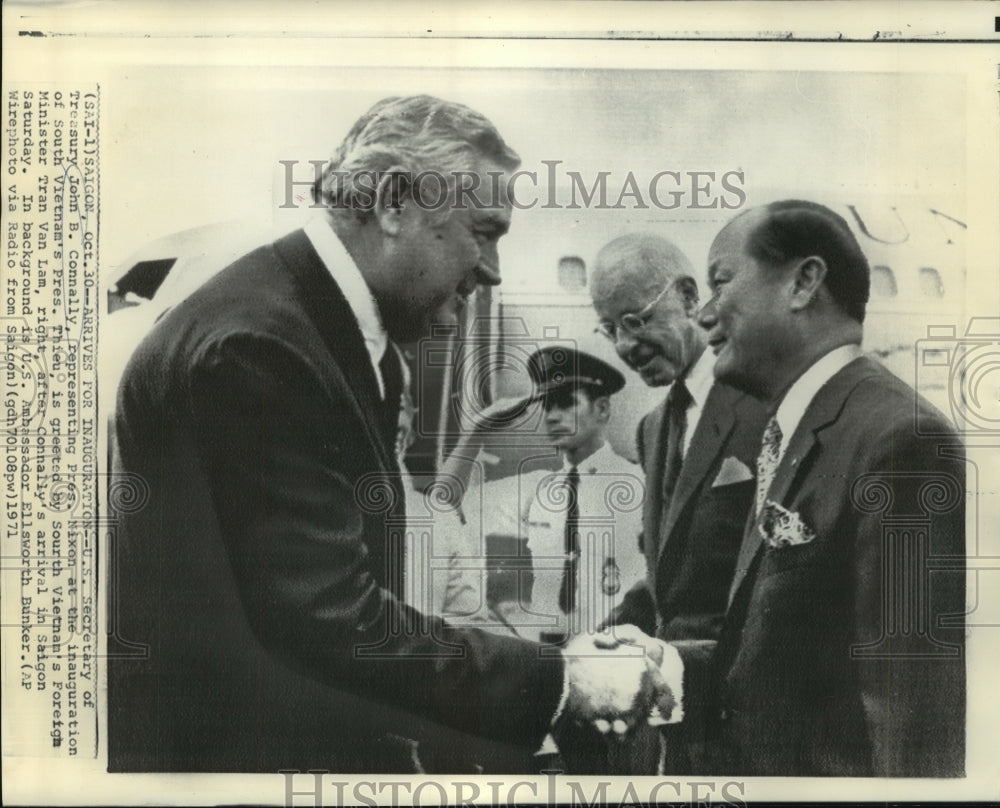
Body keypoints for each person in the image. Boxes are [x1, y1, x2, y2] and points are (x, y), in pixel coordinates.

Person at [107, 95, 667, 773]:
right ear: (397, 204)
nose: (491, 268)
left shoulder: (314, 329)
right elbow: (329, 619)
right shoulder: (261, 349)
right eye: (483, 232)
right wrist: (559, 682)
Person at [624, 200, 966, 776]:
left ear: (805, 283)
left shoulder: (899, 439)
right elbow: (784, 663)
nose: (704, 316)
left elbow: (913, 720)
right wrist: (662, 664)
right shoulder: (802, 427)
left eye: (721, 283)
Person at [589, 234, 767, 645]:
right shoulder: (651, 430)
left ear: (689, 297)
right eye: (610, 328)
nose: (623, 346)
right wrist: (593, 645)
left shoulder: (764, 401)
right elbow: (666, 579)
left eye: (635, 321)